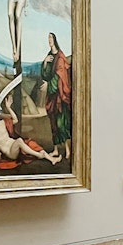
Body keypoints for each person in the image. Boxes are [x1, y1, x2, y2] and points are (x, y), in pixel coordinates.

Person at [0, 96, 60, 165]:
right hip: (9, 152)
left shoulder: (2, 122)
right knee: (19, 141)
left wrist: (8, 108)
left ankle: (52, 159)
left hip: (15, 146)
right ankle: (38, 155)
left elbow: (15, 120)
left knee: (32, 144)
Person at [40, 32, 72, 160]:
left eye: (51, 37)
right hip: (52, 96)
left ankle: (68, 150)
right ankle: (55, 149)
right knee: (53, 122)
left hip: (59, 95)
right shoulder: (49, 56)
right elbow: (45, 75)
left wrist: (49, 85)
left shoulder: (60, 56)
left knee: (61, 123)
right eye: (48, 38)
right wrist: (44, 63)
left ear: (55, 39)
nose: (49, 40)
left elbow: (61, 75)